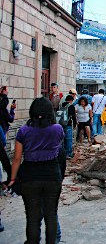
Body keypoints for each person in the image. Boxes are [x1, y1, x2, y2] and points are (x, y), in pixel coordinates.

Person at [8, 97, 65, 244]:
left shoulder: (23, 131)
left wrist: (12, 179)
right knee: (51, 215)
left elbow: (16, 158)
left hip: (30, 177)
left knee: (32, 218)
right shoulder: (57, 129)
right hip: (52, 176)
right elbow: (59, 151)